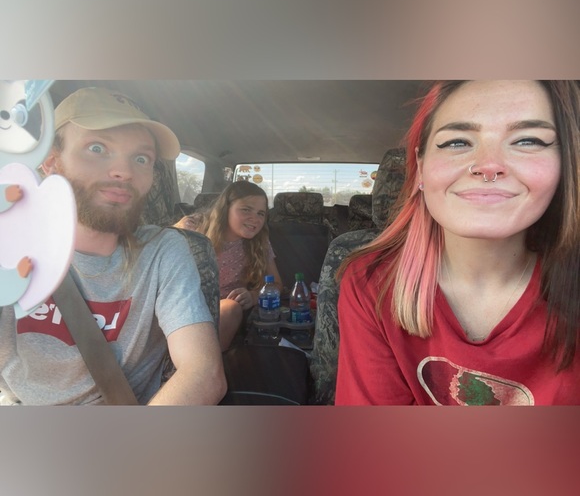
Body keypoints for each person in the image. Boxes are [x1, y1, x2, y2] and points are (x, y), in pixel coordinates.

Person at [335, 80, 580, 406]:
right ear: (420, 168)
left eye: (528, 140)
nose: (488, 165)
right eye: (457, 142)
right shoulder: (372, 283)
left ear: (565, 166)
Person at [0, 86, 227, 405]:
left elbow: (203, 373)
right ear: (51, 162)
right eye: (97, 148)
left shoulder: (164, 251)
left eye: (141, 158)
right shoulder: (9, 247)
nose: (124, 172)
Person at [175, 181, 282, 350]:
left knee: (231, 308)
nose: (255, 218)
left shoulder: (259, 243)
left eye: (261, 213)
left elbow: (277, 284)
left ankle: (209, 360)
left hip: (223, 309)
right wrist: (178, 229)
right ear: (226, 208)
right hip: (185, 305)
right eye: (246, 209)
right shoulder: (196, 228)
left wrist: (253, 295)